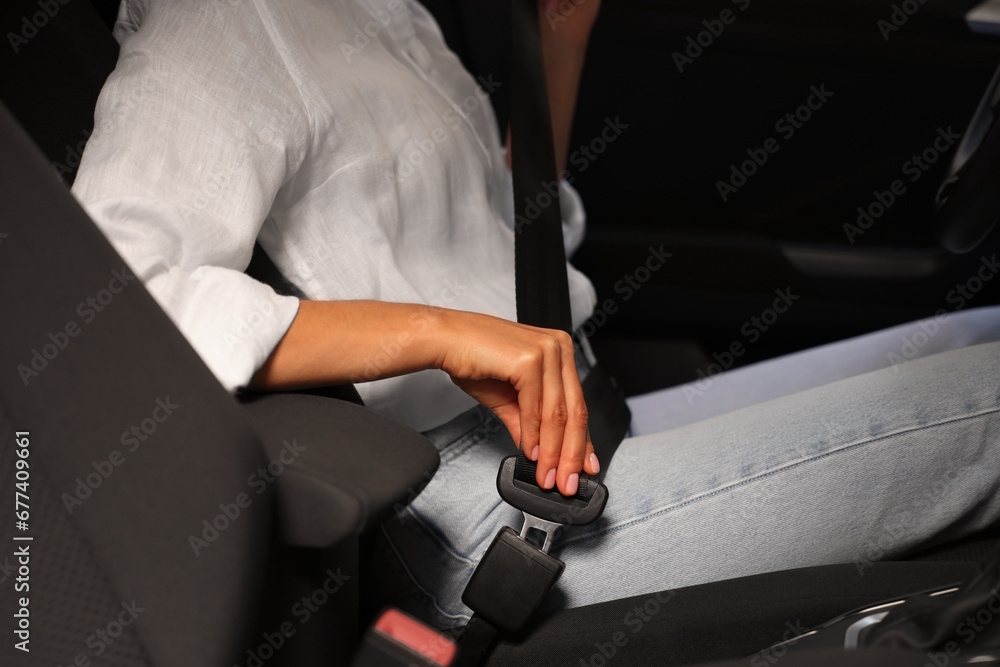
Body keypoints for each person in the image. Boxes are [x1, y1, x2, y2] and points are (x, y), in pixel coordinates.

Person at [73, 0, 1000, 633]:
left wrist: (561, 36)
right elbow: (117, 301)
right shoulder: (220, 23)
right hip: (489, 513)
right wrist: (437, 331)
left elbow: (504, 234)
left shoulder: (385, 13)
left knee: (978, 334)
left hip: (581, 418)